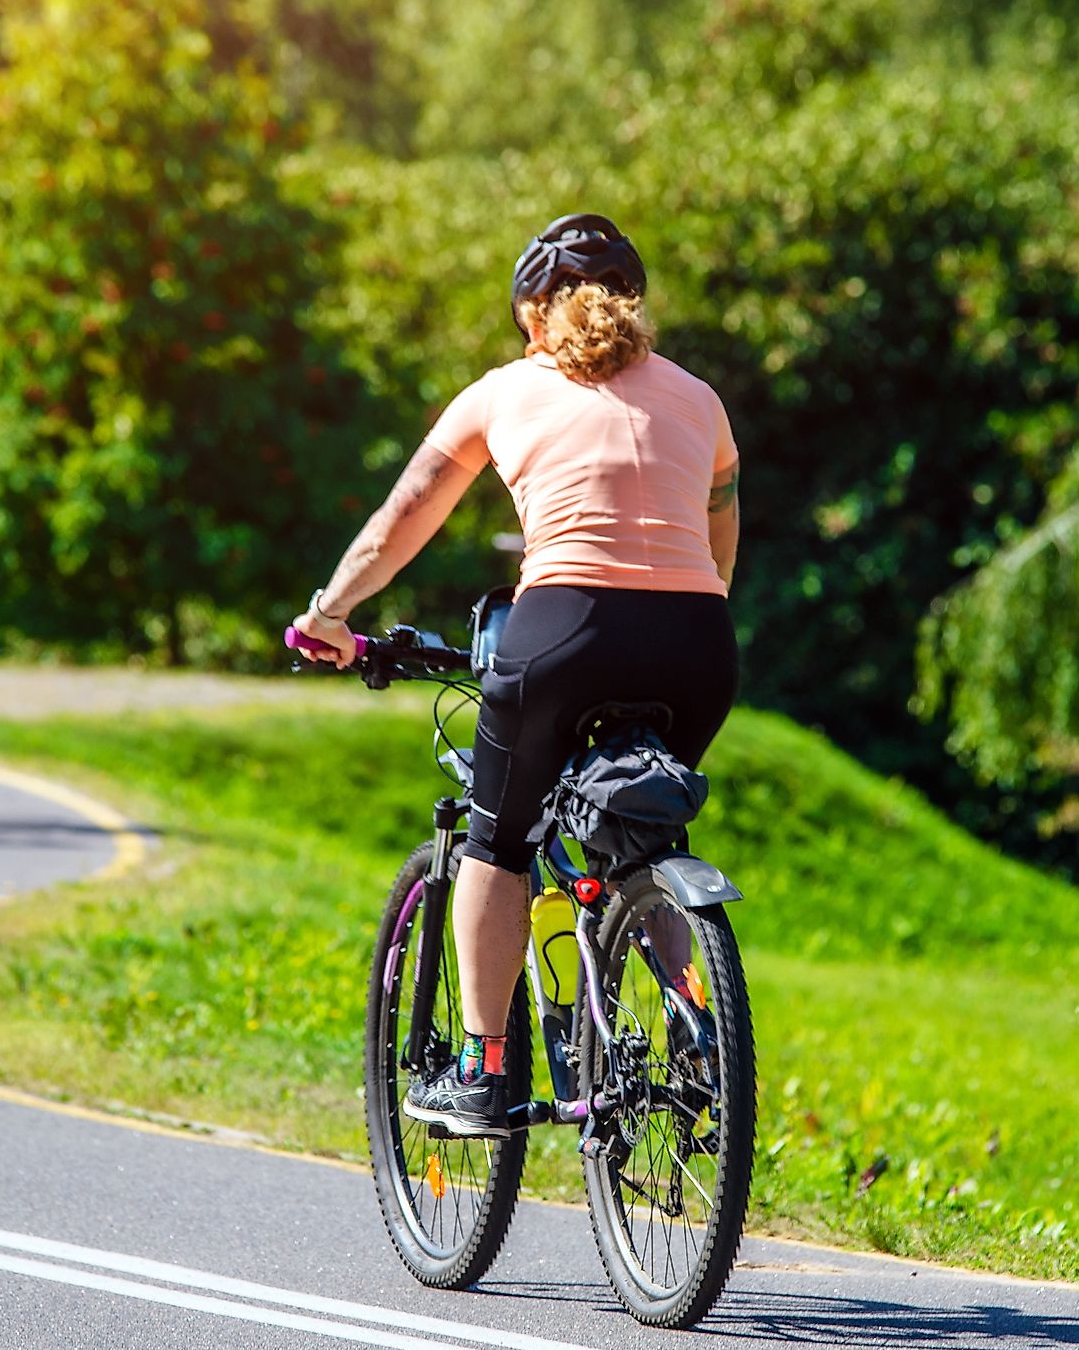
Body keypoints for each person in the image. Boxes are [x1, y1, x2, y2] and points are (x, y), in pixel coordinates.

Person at [292, 214, 743, 1138]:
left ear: (532, 316)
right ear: (633, 305)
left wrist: (330, 617)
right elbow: (720, 528)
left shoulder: (503, 391)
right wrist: (683, 605)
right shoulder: (700, 398)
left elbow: (400, 520)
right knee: (643, 844)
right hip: (700, 645)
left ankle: (484, 1070)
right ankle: (699, 1026)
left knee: (496, 845)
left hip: (564, 630)